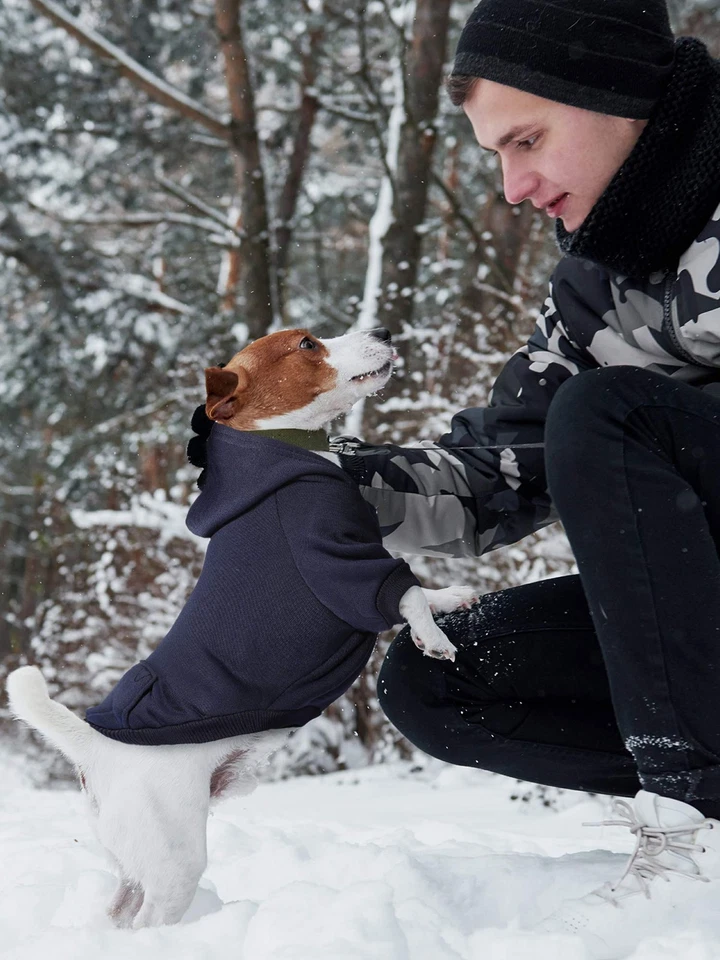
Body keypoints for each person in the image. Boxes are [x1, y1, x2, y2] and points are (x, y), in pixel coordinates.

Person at [186, 2, 720, 954]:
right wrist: (306, 479)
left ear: (622, 94)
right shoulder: (596, 285)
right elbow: (506, 465)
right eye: (495, 156)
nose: (515, 187)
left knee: (611, 410)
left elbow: (607, 428)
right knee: (442, 680)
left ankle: (697, 820)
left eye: (528, 140)